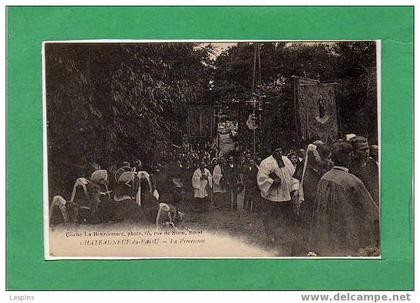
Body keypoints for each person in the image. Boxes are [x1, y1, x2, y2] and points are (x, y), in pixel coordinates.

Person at [309, 141, 379, 256]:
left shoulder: (323, 178)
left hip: (325, 236)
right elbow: (372, 211)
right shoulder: (352, 181)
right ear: (350, 156)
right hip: (347, 237)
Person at [257, 146, 299, 255]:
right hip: (272, 197)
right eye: (276, 151)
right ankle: (271, 238)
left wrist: (294, 189)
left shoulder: (286, 160)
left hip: (286, 196)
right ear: (272, 152)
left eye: (280, 150)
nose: (279, 153)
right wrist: (271, 181)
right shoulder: (266, 163)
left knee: (287, 218)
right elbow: (261, 179)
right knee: (271, 219)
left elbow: (293, 176)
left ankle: (284, 238)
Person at [293, 142, 331, 255]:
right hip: (310, 211)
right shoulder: (310, 174)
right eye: (327, 158)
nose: (329, 161)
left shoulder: (318, 171)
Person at [348, 136, 379, 205]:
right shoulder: (350, 166)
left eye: (367, 149)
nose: (367, 152)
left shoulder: (372, 163)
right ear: (354, 151)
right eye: (362, 150)